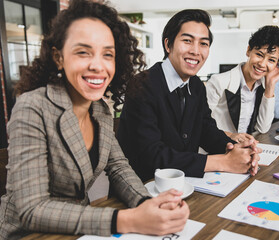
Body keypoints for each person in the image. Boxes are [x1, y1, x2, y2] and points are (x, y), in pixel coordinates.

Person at [0, 0, 189, 239]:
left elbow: (119, 168)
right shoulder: (32, 107)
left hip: (79, 229)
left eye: (107, 54)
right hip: (27, 234)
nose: (98, 65)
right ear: (59, 58)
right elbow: (32, 209)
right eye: (82, 52)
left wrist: (145, 204)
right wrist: (129, 220)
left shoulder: (100, 110)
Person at [117, 9, 260, 183]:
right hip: (143, 187)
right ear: (168, 45)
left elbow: (206, 130)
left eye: (203, 44)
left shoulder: (196, 85)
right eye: (187, 41)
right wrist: (222, 162)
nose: (195, 51)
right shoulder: (142, 85)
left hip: (187, 184)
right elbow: (151, 155)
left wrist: (237, 150)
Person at [206, 26, 279, 134]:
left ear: (277, 64)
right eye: (259, 54)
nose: (262, 64)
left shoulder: (263, 86)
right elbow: (201, 124)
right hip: (217, 148)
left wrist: (270, 85)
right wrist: (231, 136)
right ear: (248, 50)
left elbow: (262, 128)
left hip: (244, 149)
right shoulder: (218, 82)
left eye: (271, 60)